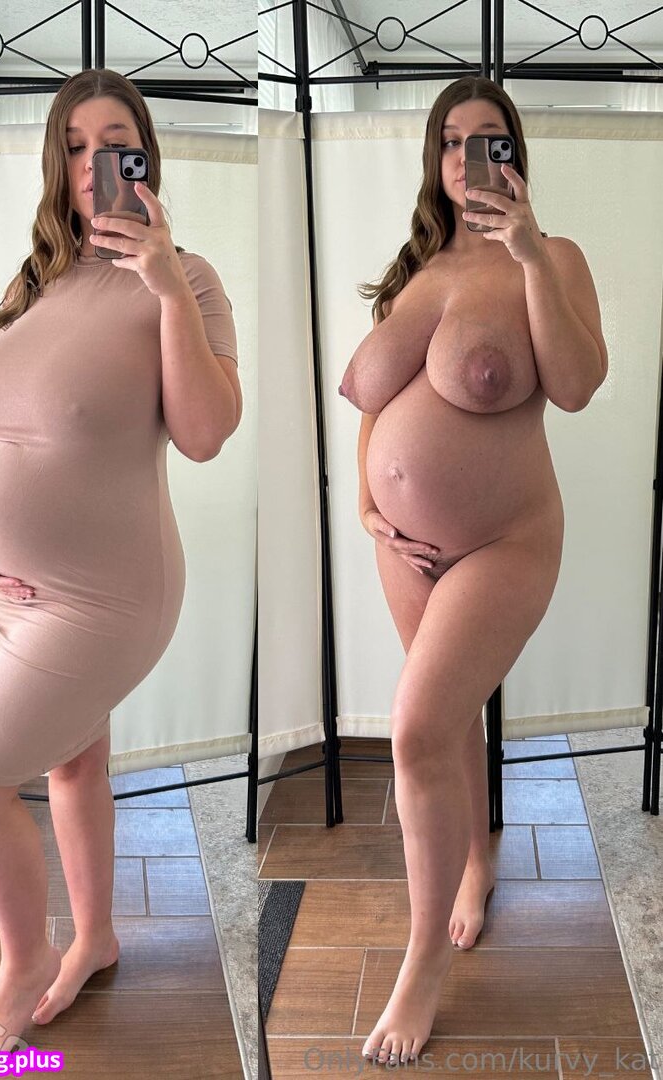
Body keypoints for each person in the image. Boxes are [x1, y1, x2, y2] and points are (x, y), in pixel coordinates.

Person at [0, 68, 242, 1053]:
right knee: (74, 761)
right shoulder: (41, 278)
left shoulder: (188, 278)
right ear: (55, 162)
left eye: (115, 144)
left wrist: (162, 284)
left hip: (107, 596)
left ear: (145, 158)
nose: (92, 163)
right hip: (19, 594)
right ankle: (96, 938)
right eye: (74, 145)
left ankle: (22, 964)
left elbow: (206, 433)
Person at [339, 75, 607, 1066]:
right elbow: (370, 403)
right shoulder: (415, 269)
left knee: (414, 728)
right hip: (403, 549)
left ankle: (420, 966)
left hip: (506, 540)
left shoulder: (552, 257)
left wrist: (529, 252)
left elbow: (577, 386)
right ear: (435, 160)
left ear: (515, 155)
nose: (466, 158)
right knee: (446, 719)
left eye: (486, 139)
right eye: (450, 141)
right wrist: (367, 504)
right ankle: (476, 858)